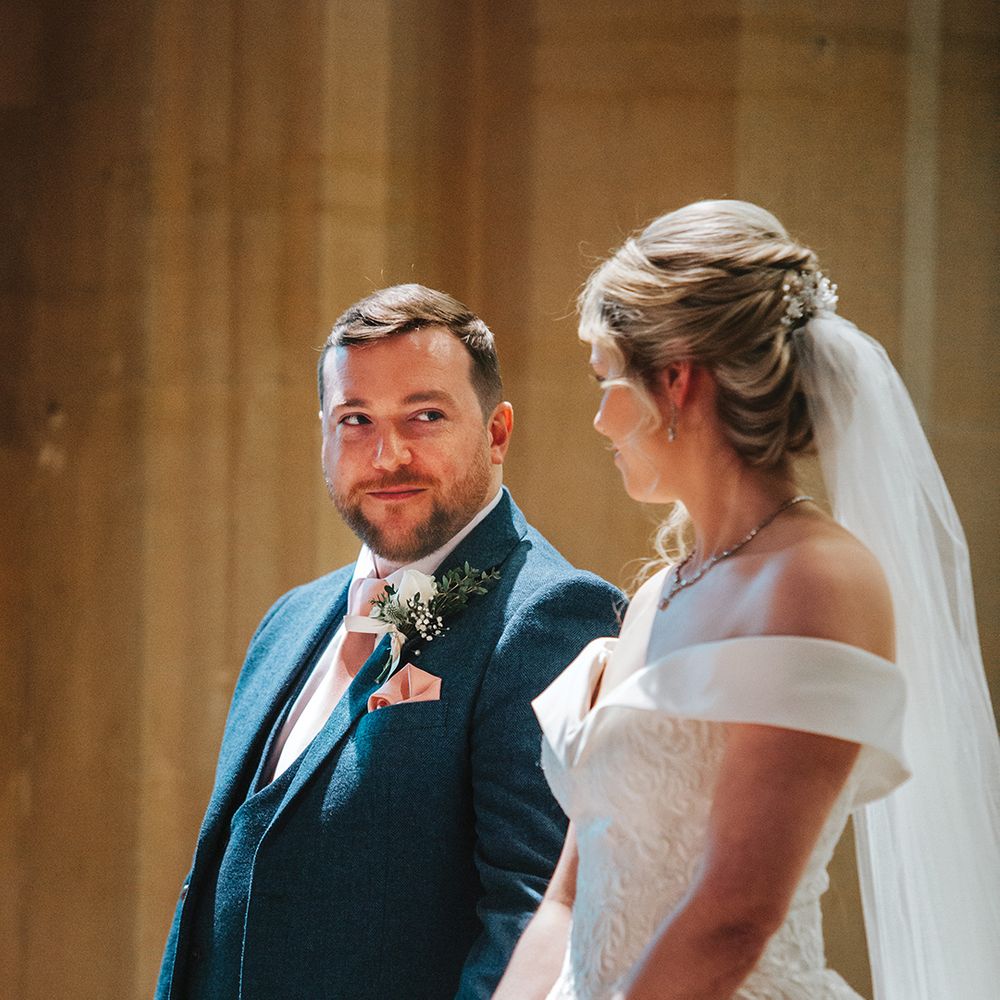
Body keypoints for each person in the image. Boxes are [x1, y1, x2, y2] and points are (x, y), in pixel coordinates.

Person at [496, 200, 1000, 999]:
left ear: (676, 379)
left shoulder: (816, 580)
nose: (598, 419)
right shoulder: (659, 593)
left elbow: (735, 912)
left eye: (605, 380)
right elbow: (568, 898)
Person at [155, 284, 623, 1000]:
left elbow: (532, 919)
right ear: (323, 434)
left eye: (425, 416)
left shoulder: (551, 613)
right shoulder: (288, 620)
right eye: (355, 420)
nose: (387, 455)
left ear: (497, 433)